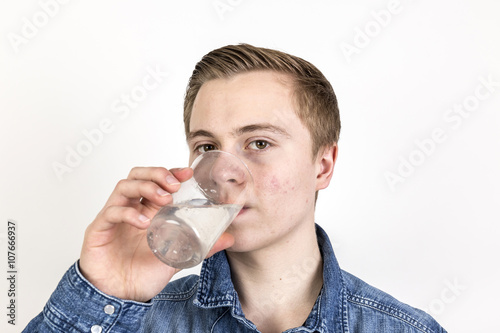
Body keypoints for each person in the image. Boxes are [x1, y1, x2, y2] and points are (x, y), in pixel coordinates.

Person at [24, 44, 446, 332]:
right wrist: (106, 289)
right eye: (206, 146)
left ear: (323, 165)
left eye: (259, 143)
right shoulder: (131, 319)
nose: (223, 173)